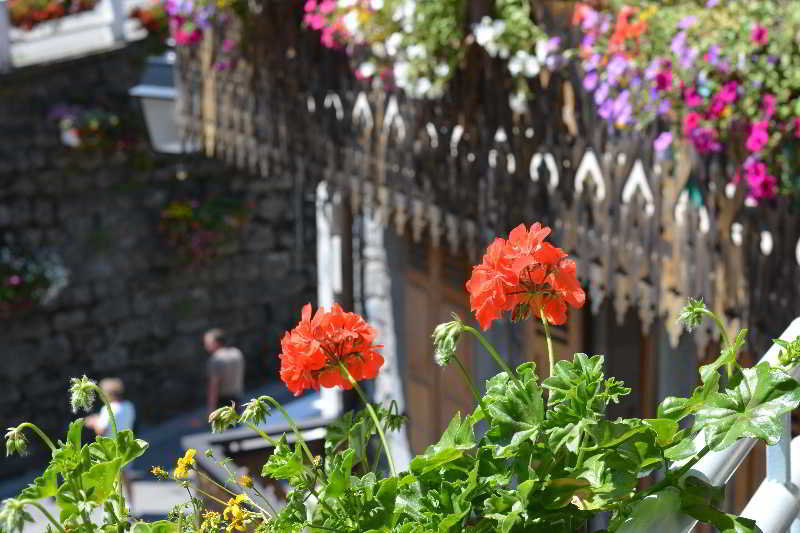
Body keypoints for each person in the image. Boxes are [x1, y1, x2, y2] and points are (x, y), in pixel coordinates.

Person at [85, 378, 136, 506]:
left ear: (107, 394)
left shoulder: (108, 409)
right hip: (126, 447)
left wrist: (93, 422)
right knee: (126, 477)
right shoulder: (129, 405)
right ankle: (130, 504)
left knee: (113, 480)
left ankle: (117, 506)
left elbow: (101, 430)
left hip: (111, 450)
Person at [204, 328, 245, 414]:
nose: (206, 345)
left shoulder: (215, 359)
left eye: (208, 342)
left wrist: (211, 408)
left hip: (222, 401)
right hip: (237, 396)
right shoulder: (237, 353)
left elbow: (214, 385)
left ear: (216, 342)